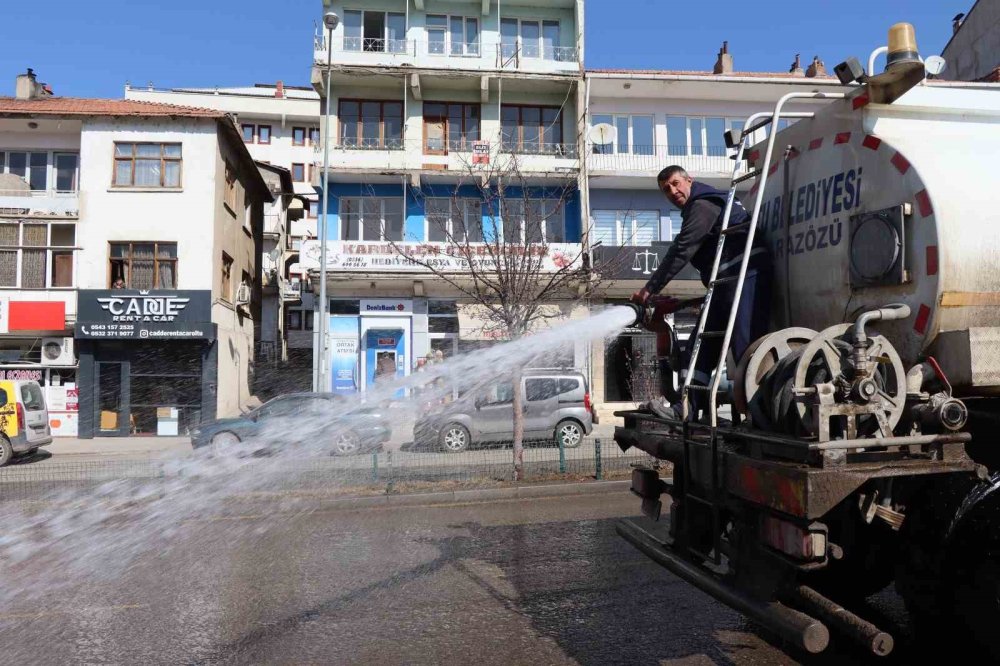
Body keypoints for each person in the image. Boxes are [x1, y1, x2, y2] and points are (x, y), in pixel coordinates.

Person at [631, 165, 771, 422]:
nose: (673, 191)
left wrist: (649, 289)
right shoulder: (701, 207)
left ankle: (761, 416)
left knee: (745, 347)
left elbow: (682, 249)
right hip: (725, 279)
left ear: (689, 180)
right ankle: (687, 409)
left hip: (743, 273)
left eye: (676, 183)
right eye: (666, 189)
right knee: (699, 346)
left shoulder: (703, 204)